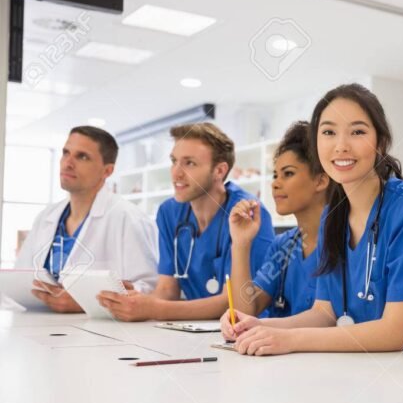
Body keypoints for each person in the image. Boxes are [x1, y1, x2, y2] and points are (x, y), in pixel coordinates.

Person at [220, 83, 403, 356]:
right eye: (328, 132)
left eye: (358, 132)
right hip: (380, 365)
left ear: (380, 143)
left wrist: (290, 341)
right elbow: (324, 313)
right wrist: (262, 326)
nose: (341, 146)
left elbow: (393, 333)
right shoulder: (333, 216)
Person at [98, 122, 274, 321]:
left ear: (219, 171)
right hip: (191, 328)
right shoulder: (168, 213)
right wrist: (134, 301)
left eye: (189, 163)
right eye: (174, 161)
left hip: (247, 332)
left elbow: (233, 302)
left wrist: (154, 309)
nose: (176, 173)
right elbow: (167, 290)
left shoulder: (248, 215)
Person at [15, 126, 157, 312]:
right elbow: (21, 278)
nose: (68, 163)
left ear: (107, 171)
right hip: (39, 324)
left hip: (100, 334)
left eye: (82, 157)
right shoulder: (46, 217)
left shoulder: (128, 217)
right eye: (66, 153)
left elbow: (149, 289)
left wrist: (86, 302)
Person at [229, 121, 328, 318]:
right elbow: (244, 311)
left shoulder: (347, 242)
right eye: (275, 175)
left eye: (288, 174)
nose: (275, 183)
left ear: (320, 180)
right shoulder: (283, 246)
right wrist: (240, 244)